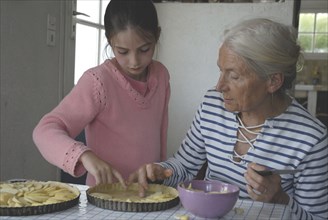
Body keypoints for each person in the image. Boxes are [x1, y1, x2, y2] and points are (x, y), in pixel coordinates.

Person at [128, 18, 328, 219]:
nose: (219, 86)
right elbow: (185, 166)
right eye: (220, 71)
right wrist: (161, 172)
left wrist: (279, 199)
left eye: (234, 76)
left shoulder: (312, 140)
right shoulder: (213, 105)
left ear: (273, 81)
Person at [33, 0, 170, 187]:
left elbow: (160, 134)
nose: (134, 61)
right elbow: (44, 131)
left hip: (149, 194)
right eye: (122, 51)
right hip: (105, 198)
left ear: (158, 36)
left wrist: (161, 173)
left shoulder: (161, 75)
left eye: (144, 49)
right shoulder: (98, 82)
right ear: (110, 41)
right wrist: (84, 155)